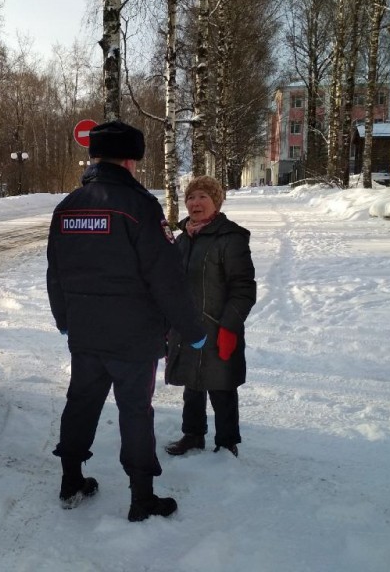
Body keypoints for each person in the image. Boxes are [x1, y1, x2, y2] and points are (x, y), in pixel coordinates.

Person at [46, 121, 207, 522]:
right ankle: (142, 497)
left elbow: (55, 271)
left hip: (85, 332)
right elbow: (166, 278)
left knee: (81, 403)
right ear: (130, 160)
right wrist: (193, 329)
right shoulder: (139, 207)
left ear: (94, 157)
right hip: (133, 336)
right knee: (135, 411)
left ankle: (71, 480)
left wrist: (64, 319)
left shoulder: (67, 206)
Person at [164, 176, 256, 458]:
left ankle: (227, 442)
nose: (195, 202)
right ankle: (192, 435)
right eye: (191, 197)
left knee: (221, 386)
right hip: (188, 326)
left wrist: (229, 326)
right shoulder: (182, 240)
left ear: (216, 202)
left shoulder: (231, 238)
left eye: (203, 196)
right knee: (192, 383)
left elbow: (243, 288)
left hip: (218, 326)